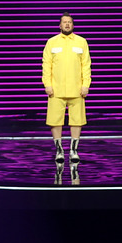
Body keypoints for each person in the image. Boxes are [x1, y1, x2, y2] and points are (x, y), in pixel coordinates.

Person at [42, 12, 92, 164]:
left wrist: (86, 85)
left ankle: (73, 150)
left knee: (77, 120)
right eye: (64, 22)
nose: (67, 24)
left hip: (77, 89)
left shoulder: (81, 42)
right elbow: (46, 65)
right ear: (60, 25)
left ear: (73, 25)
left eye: (69, 22)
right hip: (56, 90)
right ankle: (59, 151)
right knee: (55, 121)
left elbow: (86, 65)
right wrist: (47, 84)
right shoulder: (51, 42)